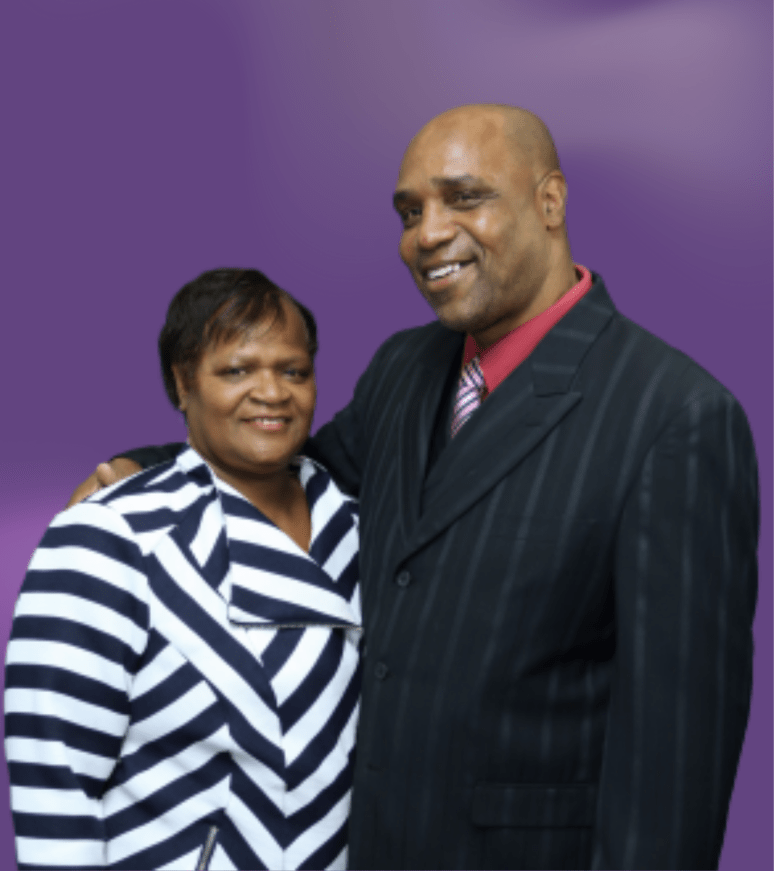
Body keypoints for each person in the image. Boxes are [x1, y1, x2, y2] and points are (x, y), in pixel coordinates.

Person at [64, 105, 759, 870]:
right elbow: (301, 475)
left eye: (465, 198)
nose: (426, 234)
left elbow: (673, 761)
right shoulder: (406, 365)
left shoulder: (676, 416)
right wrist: (148, 465)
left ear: (550, 202)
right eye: (409, 210)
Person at [5, 269, 362, 870]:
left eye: (293, 370)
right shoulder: (108, 534)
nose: (272, 392)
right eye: (237, 371)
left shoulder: (360, 528)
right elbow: (53, 772)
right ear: (182, 383)